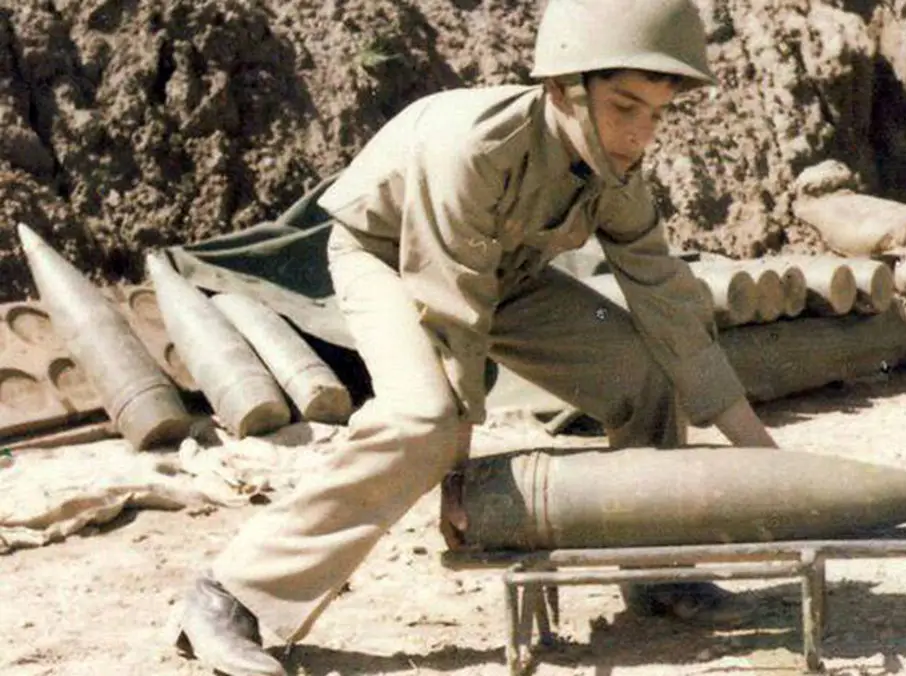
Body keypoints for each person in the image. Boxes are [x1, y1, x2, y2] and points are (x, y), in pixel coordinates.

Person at [173, 1, 778, 674]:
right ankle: (232, 595)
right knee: (422, 419)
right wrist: (456, 478)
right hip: (389, 256)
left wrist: (768, 458)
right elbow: (452, 315)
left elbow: (668, 301)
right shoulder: (474, 149)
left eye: (657, 115)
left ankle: (657, 569)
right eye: (624, 107)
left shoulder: (612, 168)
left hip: (502, 272)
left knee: (645, 374)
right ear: (564, 89)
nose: (640, 135)